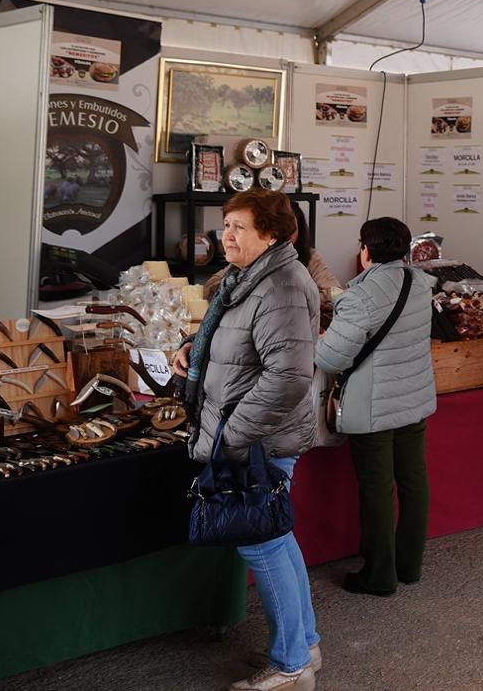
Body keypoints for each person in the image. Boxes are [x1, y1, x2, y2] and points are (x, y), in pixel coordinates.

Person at [171, 189, 319, 691]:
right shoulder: (247, 279)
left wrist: (232, 435)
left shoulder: (280, 285)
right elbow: (243, 347)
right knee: (277, 539)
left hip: (257, 441)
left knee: (262, 545)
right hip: (249, 437)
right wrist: (195, 353)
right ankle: (305, 646)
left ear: (271, 234)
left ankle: (290, 666)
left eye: (238, 227)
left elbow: (290, 375)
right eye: (225, 225)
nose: (225, 236)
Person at [313, 217, 436, 597]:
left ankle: (380, 575)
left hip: (372, 407)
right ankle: (409, 565)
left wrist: (316, 340)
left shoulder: (360, 297)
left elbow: (331, 359)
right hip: (413, 398)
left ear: (366, 250)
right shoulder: (420, 284)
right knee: (414, 482)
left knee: (378, 489)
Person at [207, 206, 340, 330]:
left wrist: (295, 298)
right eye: (227, 225)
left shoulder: (310, 257)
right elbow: (212, 285)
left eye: (289, 230)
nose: (283, 235)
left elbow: (334, 292)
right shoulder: (255, 254)